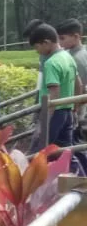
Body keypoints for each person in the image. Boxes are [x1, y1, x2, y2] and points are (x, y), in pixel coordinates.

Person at [31, 22, 86, 174]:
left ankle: (36, 185)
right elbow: (79, 84)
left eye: (37, 47)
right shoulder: (67, 56)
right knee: (66, 153)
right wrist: (74, 108)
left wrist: (45, 120)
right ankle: (81, 179)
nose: (37, 51)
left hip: (54, 113)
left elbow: (53, 92)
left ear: (46, 42)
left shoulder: (51, 63)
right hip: (67, 112)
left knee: (39, 152)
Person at [59, 20, 87, 124]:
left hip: (78, 107)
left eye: (62, 38)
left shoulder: (75, 59)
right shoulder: (83, 51)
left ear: (76, 36)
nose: (60, 42)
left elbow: (80, 87)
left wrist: (74, 109)